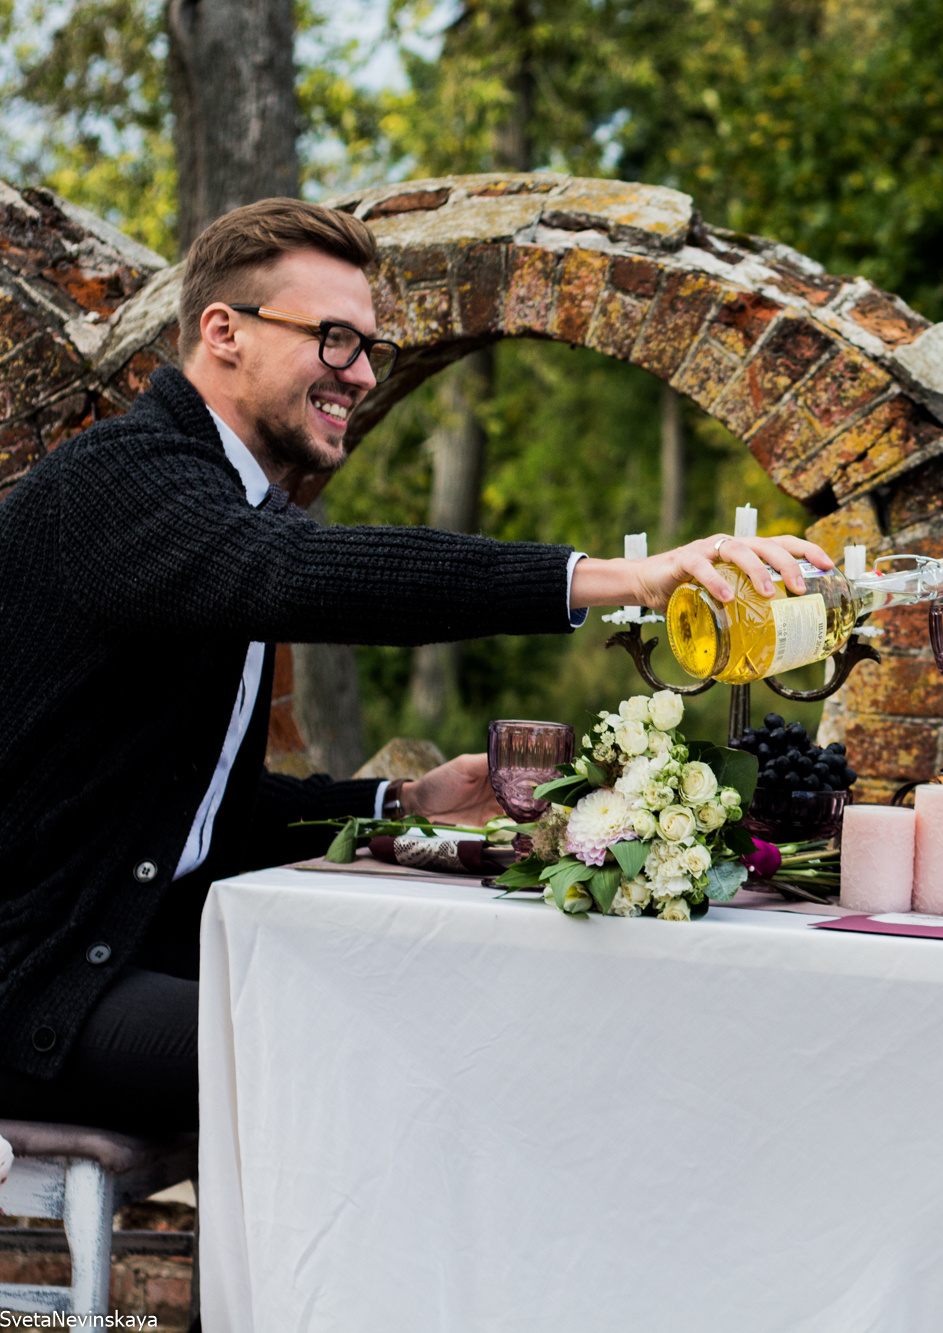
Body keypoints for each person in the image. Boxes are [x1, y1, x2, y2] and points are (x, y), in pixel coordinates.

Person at [0, 197, 830, 1136]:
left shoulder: (230, 519)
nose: (357, 375)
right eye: (335, 340)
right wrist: (619, 576)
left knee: (460, 1007)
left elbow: (203, 825)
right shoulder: (125, 481)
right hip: (31, 980)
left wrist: (400, 805)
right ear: (223, 331)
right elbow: (301, 576)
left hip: (118, 951)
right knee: (381, 1062)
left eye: (370, 350)